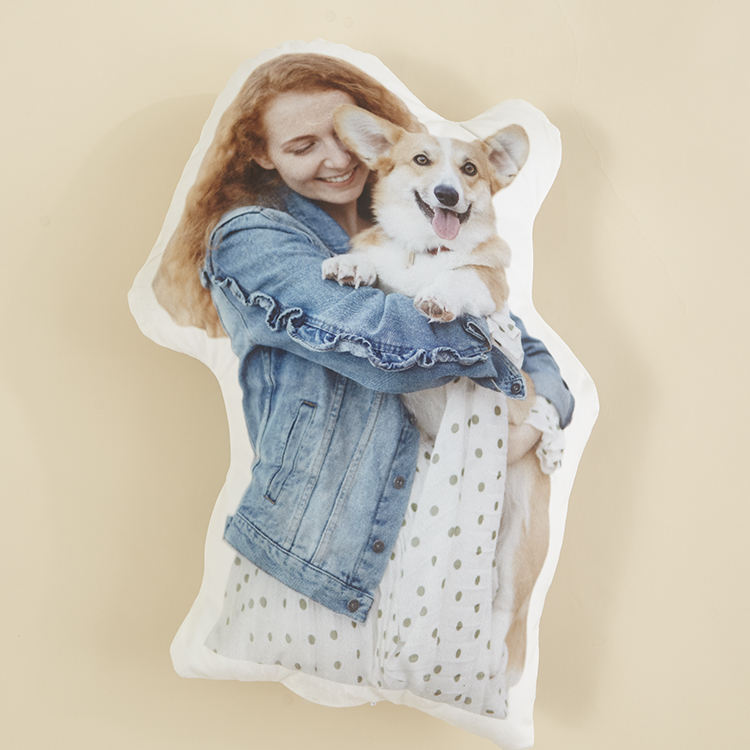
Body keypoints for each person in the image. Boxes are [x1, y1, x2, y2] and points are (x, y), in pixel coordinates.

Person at [153, 53, 574, 625]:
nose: (338, 157)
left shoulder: (412, 230)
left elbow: (523, 343)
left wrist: (540, 416)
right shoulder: (254, 236)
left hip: (435, 514)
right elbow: (390, 346)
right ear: (263, 154)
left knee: (499, 626)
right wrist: (481, 328)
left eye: (343, 135)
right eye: (303, 146)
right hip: (329, 541)